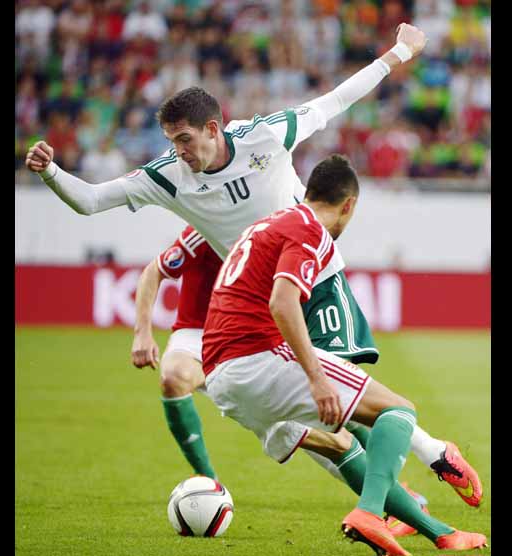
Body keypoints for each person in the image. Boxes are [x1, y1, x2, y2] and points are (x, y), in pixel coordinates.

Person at [26, 23, 481, 507]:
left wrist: (399, 53)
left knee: (345, 394)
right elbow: (93, 200)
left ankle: (423, 467)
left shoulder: (266, 135)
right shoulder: (167, 176)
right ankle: (398, 496)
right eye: (171, 140)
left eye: (184, 139)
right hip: (263, 305)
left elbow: (336, 100)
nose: (178, 151)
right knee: (322, 412)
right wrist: (52, 171)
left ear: (212, 129)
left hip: (316, 278)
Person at [201, 154, 487, 554]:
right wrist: (317, 378)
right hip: (254, 359)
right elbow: (282, 303)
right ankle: (370, 512)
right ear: (349, 204)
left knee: (344, 441)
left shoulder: (269, 223)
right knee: (399, 412)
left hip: (220, 379)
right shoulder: (310, 229)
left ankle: (439, 533)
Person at [133, 223, 439, 539]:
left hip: (251, 344)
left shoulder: (278, 232)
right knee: (173, 376)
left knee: (330, 435)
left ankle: (402, 501)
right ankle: (207, 478)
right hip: (196, 335)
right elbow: (154, 270)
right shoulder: (206, 226)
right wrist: (142, 332)